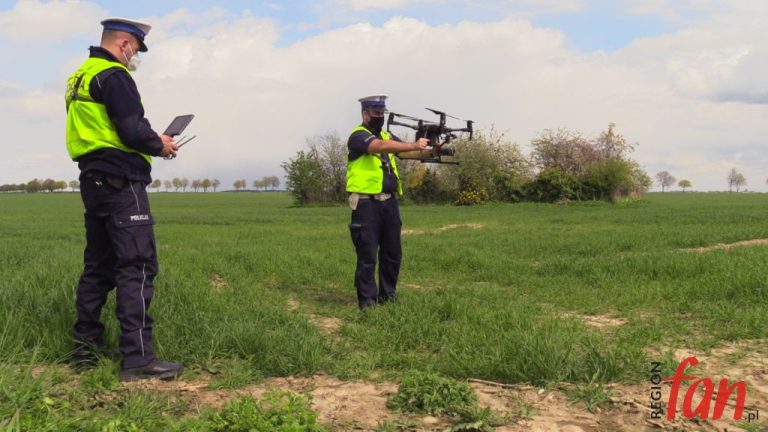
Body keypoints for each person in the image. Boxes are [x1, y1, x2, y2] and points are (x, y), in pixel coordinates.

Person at [65, 17, 183, 381]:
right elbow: (131, 130)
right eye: (136, 50)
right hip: (121, 182)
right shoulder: (115, 76)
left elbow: (105, 127)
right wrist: (159, 144)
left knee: (98, 267)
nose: (136, 57)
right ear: (125, 44)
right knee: (137, 266)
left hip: (93, 179)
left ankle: (85, 349)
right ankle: (138, 359)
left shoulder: (80, 76)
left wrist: (150, 140)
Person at [346, 95, 430, 309]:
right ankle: (367, 302)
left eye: (382, 113)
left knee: (392, 253)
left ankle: (388, 296)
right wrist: (412, 143)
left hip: (389, 204)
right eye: (376, 113)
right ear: (365, 114)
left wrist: (433, 150)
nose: (380, 117)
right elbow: (380, 146)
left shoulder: (386, 135)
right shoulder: (358, 136)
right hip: (366, 204)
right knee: (367, 255)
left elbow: (408, 152)